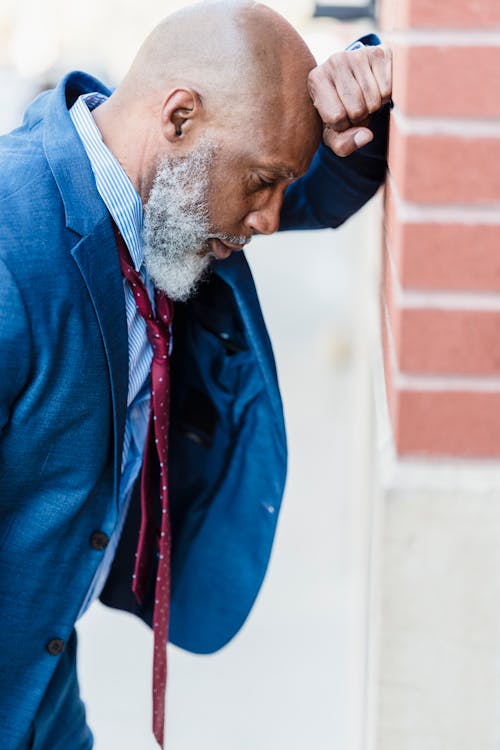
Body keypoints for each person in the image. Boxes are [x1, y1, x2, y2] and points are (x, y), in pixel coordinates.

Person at [0, 1, 392, 748]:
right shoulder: (12, 251)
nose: (272, 220)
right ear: (179, 117)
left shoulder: (169, 198)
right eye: (262, 184)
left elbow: (323, 186)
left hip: (44, 685)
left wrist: (369, 86)